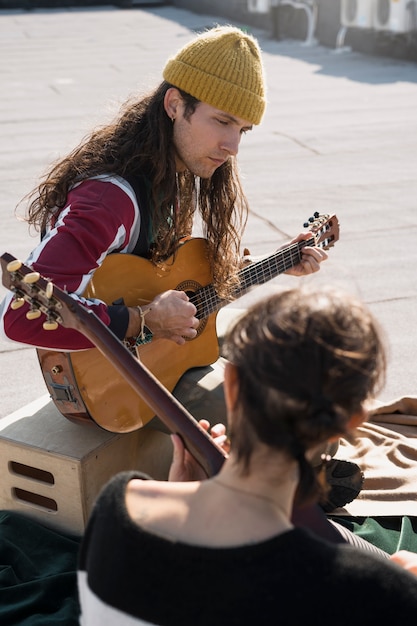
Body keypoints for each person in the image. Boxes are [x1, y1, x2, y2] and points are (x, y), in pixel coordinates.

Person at [77, 286, 417, 626]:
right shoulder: (376, 593)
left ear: (232, 384)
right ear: (351, 422)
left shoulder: (115, 508)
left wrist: (186, 492)